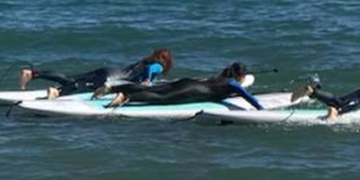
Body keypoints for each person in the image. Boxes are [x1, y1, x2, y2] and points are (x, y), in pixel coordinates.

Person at [18, 47, 173, 99]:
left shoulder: (144, 61)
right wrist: (147, 81)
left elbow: (146, 67)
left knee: (70, 78)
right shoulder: (157, 65)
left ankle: (33, 74)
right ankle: (56, 93)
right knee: (81, 86)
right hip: (112, 79)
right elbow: (151, 70)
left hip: (111, 70)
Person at [105, 62, 263, 110]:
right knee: (161, 98)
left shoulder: (220, 78)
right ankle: (127, 97)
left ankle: (113, 88)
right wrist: (262, 111)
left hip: (188, 82)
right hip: (191, 91)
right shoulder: (234, 84)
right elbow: (250, 98)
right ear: (240, 76)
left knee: (151, 89)